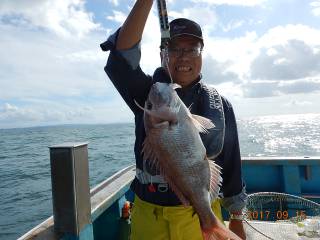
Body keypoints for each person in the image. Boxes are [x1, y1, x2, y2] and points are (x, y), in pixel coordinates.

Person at [101, 0, 247, 239]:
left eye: (192, 49)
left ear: (201, 54)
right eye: (175, 49)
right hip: (150, 217)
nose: (184, 57)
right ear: (163, 55)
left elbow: (231, 167)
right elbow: (121, 56)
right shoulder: (147, 94)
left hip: (202, 213)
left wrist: (238, 220)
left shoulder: (220, 105)